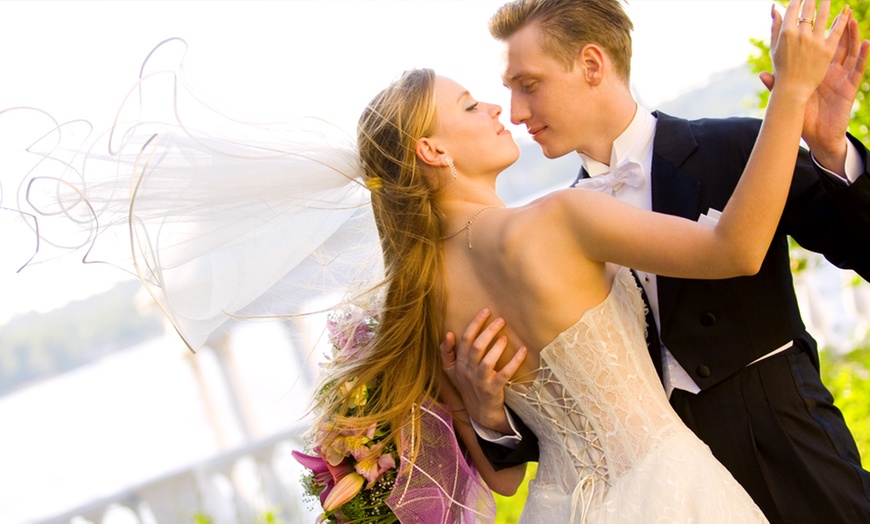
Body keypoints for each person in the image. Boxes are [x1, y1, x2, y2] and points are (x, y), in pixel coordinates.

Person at [316, 0, 845, 521]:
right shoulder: (563, 216)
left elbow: (503, 481)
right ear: (432, 151)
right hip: (674, 488)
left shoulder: (418, 301)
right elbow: (734, 249)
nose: (504, 110)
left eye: (522, 87)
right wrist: (792, 92)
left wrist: (486, 410)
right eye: (473, 106)